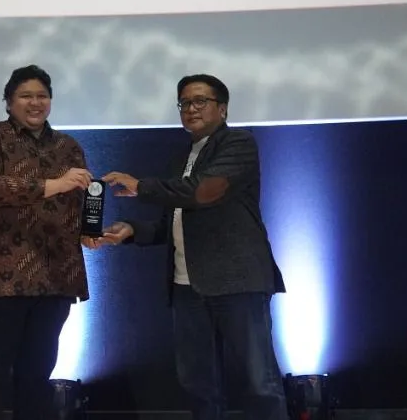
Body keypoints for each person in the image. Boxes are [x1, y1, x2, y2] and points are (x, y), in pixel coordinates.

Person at [85, 74, 287, 420]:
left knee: (259, 383)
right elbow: (174, 223)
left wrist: (142, 187)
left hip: (237, 282)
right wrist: (132, 230)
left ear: (222, 108)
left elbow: (204, 192)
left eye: (200, 101)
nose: (191, 109)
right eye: (184, 103)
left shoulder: (238, 143)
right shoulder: (181, 157)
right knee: (197, 384)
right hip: (186, 287)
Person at [0, 64, 93, 420]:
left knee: (37, 373)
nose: (35, 103)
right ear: (8, 102)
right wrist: (53, 185)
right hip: (3, 277)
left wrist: (89, 231)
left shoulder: (68, 147)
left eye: (42, 96)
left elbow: (76, 203)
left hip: (55, 277)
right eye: (25, 96)